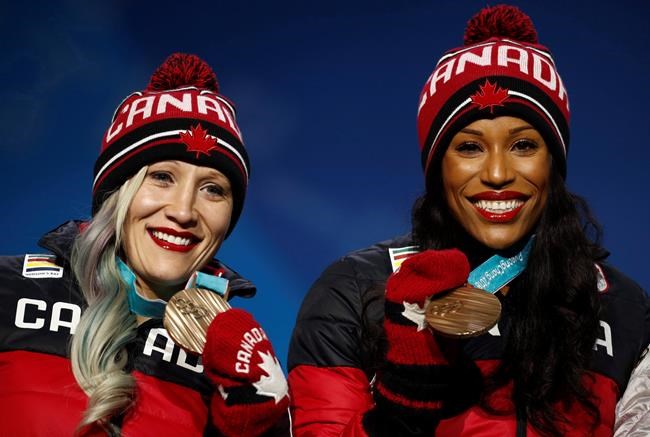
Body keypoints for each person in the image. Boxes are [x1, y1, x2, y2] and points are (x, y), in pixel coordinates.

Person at [288, 5, 650, 437]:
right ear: (438, 166)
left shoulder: (623, 306)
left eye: (522, 145)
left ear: (553, 162)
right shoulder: (357, 289)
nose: (497, 174)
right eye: (470, 148)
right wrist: (401, 410)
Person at [0, 53, 289, 436]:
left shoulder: (237, 357)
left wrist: (259, 429)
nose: (184, 211)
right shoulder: (10, 291)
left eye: (212, 190)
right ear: (117, 194)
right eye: (162, 177)